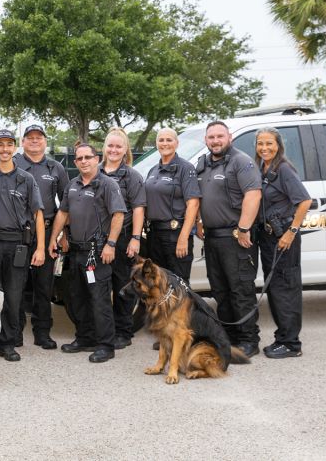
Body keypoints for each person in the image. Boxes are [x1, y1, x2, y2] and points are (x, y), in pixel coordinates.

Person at [48, 143, 126, 363]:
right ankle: (84, 338)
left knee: (99, 299)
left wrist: (111, 244)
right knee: (77, 298)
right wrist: (54, 238)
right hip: (76, 250)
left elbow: (118, 215)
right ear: (75, 162)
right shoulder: (72, 185)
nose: (83, 161)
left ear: (97, 159)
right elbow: (63, 213)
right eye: (79, 158)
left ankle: (105, 345)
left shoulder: (108, 185)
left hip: (98, 252)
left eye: (88, 157)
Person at [196, 121, 262, 358]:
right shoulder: (203, 164)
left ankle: (248, 340)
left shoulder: (241, 162)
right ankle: (229, 338)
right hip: (213, 239)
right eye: (211, 137)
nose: (215, 141)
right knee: (220, 291)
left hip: (235, 237)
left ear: (229, 137)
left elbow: (253, 195)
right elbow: (201, 198)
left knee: (240, 290)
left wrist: (244, 228)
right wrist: (199, 221)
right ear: (206, 140)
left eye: (219, 136)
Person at [0, 129, 46, 361]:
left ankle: (8, 343)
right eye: (0, 145)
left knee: (14, 296)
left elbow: (38, 214)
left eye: (9, 145)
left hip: (18, 244)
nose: (5, 149)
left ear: (15, 147)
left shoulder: (27, 179)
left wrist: (39, 248)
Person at [254, 127, 311, 359]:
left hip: (284, 237)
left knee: (286, 288)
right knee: (276, 288)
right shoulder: (262, 168)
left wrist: (291, 231)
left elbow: (305, 201)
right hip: (269, 237)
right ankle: (282, 338)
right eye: (260, 144)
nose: (264, 148)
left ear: (278, 145)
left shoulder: (284, 169)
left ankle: (291, 344)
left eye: (269, 143)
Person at [13, 124, 69, 349]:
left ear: (45, 141)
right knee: (15, 284)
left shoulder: (56, 168)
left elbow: (66, 204)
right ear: (23, 142)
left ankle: (42, 332)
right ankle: (14, 331)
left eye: (39, 138)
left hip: (45, 232)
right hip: (17, 232)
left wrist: (63, 234)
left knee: (44, 285)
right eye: (30, 138)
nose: (35, 141)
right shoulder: (14, 164)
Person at [99, 127, 146, 350]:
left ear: (125, 149)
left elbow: (138, 208)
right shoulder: (95, 171)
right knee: (99, 286)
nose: (114, 150)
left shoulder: (132, 176)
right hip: (97, 240)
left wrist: (135, 238)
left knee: (122, 286)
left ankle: (123, 332)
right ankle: (102, 330)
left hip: (123, 239)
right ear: (104, 148)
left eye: (118, 146)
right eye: (110, 145)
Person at [143, 128, 201, 283]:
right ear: (156, 143)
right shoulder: (153, 170)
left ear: (177, 143)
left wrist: (183, 237)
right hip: (154, 235)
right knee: (158, 285)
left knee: (178, 284)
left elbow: (193, 204)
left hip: (175, 235)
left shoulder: (185, 168)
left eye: (169, 140)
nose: (165, 143)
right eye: (161, 140)